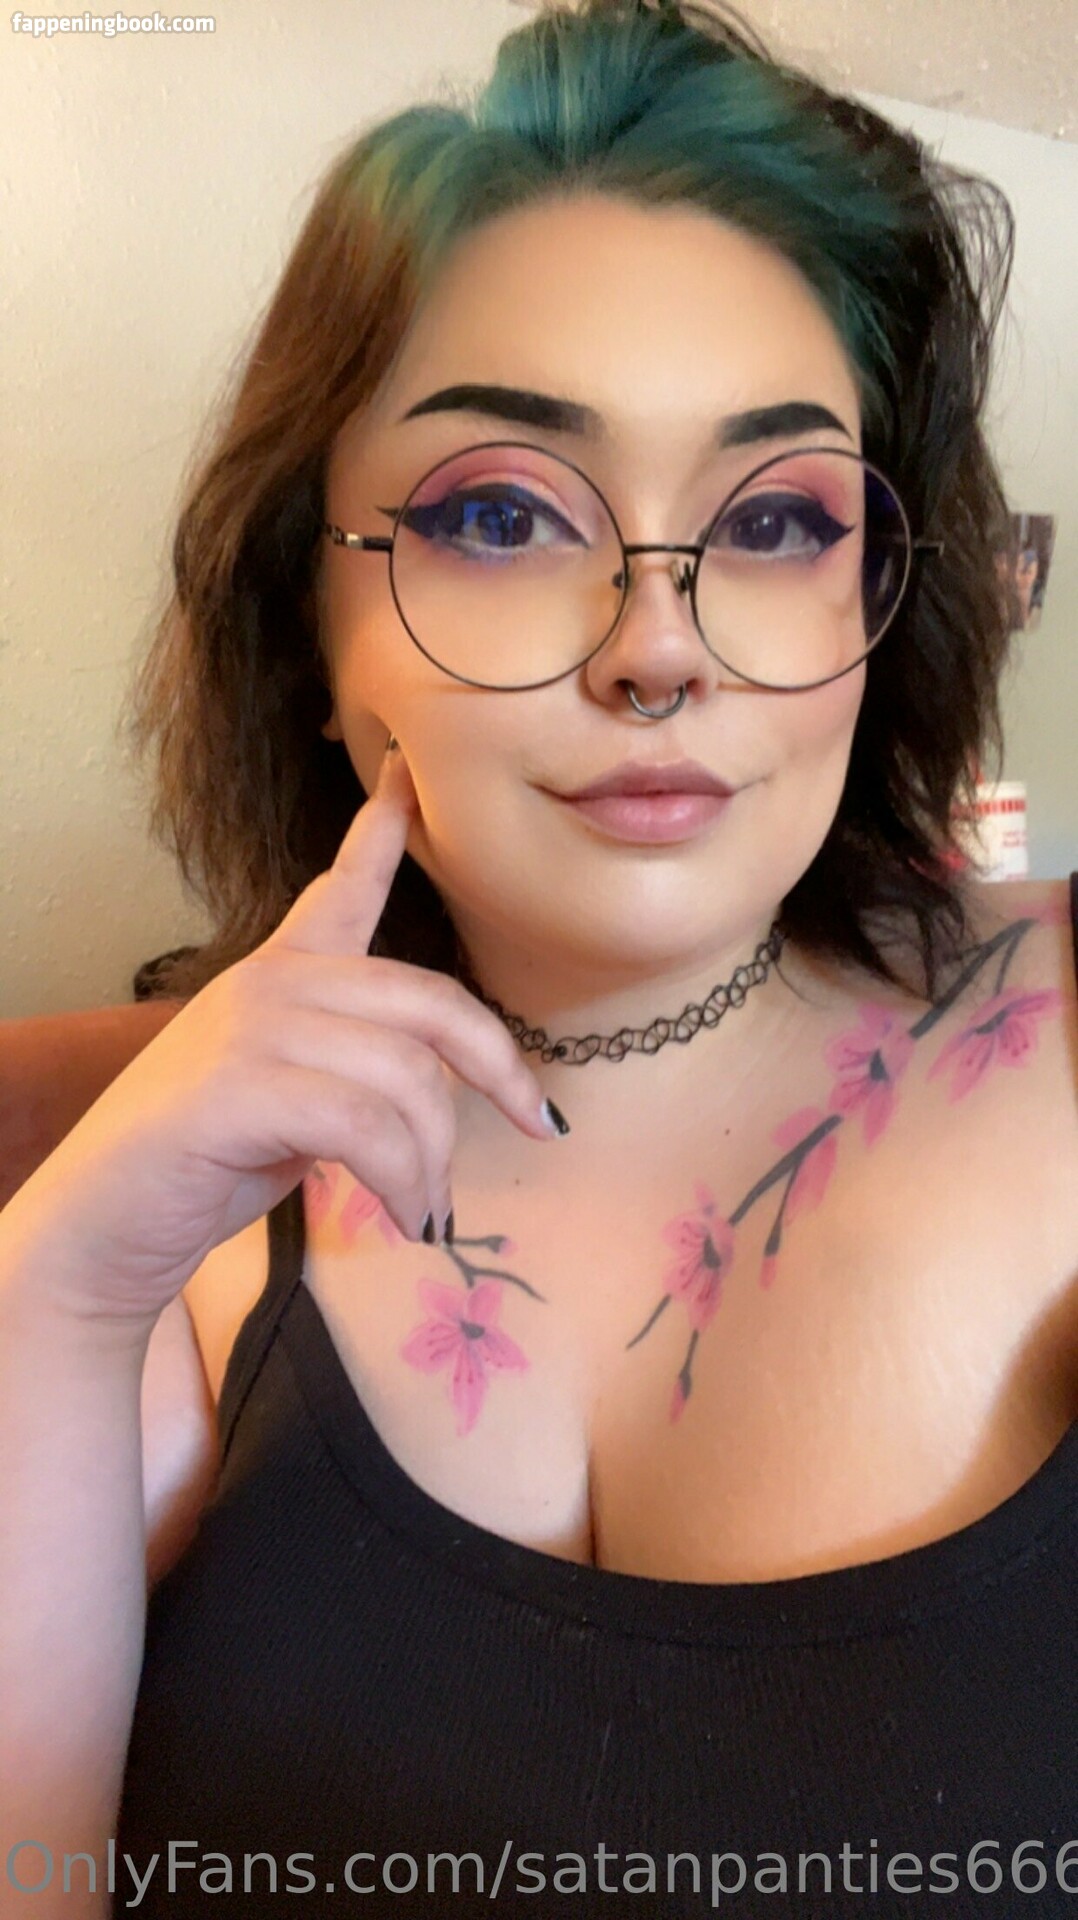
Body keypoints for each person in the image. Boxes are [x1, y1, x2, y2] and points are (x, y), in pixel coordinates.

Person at [2, 2, 1076, 1914]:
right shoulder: (178, 1261)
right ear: (305, 623)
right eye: (498, 515)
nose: (656, 646)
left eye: (774, 518)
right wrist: (61, 1280)